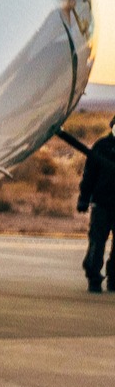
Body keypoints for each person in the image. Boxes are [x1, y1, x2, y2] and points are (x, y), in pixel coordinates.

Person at [77, 121, 115, 292]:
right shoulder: (101, 146)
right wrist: (84, 198)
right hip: (102, 204)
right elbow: (89, 174)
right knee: (97, 242)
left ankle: (114, 279)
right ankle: (93, 277)